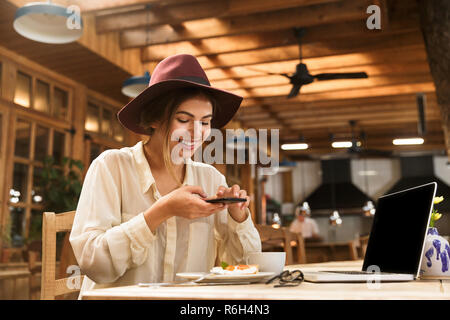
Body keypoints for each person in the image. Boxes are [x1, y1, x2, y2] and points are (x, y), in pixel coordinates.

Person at [70, 54, 262, 297]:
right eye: (184, 119)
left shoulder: (212, 179)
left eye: (205, 122)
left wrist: (239, 218)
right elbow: (94, 264)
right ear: (154, 119)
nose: (197, 132)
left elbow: (243, 267)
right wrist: (160, 212)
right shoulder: (111, 167)